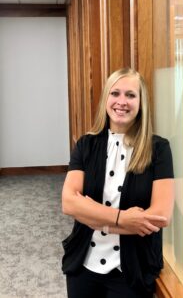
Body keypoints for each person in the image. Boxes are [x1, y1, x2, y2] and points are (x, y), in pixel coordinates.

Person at [61, 67, 174, 298]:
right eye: (115, 94)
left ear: (141, 103)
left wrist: (95, 219)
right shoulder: (86, 145)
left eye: (131, 95)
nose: (122, 101)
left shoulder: (158, 149)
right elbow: (69, 203)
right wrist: (123, 219)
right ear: (106, 99)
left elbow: (160, 215)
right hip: (84, 262)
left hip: (133, 267)